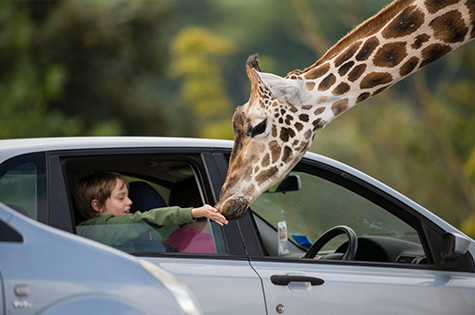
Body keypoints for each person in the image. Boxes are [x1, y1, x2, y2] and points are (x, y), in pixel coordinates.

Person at [74, 171, 228, 250]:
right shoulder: (97, 230)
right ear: (97, 206)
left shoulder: (114, 231)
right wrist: (193, 213)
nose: (130, 202)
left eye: (128, 196)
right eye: (121, 198)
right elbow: (145, 219)